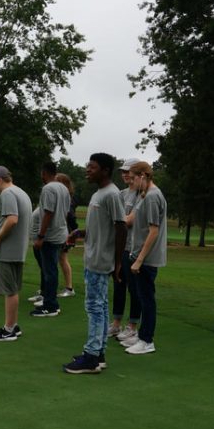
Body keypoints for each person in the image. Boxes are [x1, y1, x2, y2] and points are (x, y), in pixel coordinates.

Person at [62, 154, 128, 373]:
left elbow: (120, 227)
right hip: (94, 257)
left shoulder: (111, 194)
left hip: (101, 260)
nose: (87, 170)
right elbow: (104, 228)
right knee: (100, 306)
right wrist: (80, 232)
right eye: (87, 166)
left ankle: (91, 357)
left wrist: (118, 263)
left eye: (93, 167)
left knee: (94, 307)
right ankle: (98, 354)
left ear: (106, 170)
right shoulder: (99, 194)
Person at [120, 161, 167, 355]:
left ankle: (147, 340)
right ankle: (141, 336)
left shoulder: (153, 196)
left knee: (147, 299)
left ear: (143, 176)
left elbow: (153, 231)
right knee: (141, 295)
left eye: (134, 177)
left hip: (146, 258)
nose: (132, 181)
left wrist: (139, 259)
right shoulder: (145, 195)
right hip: (138, 254)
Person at [0, 166, 31, 342]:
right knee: (14, 289)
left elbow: (12, 219)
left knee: (9, 290)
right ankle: (13, 326)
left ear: (0, 179)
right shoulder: (21, 192)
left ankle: (8, 329)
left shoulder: (7, 194)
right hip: (18, 249)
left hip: (7, 250)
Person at [32, 162, 70, 317]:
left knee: (49, 272)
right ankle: (50, 302)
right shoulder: (64, 188)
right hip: (60, 233)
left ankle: (50, 305)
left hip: (50, 236)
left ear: (44, 173)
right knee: (51, 270)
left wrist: (41, 236)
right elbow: (65, 212)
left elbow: (48, 213)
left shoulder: (48, 189)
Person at [113, 158, 142, 342]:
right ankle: (116, 324)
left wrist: (117, 220)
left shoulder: (142, 194)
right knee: (118, 285)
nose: (124, 174)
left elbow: (129, 220)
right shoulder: (121, 194)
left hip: (133, 248)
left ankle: (132, 326)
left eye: (128, 171)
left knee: (134, 289)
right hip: (119, 247)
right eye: (122, 171)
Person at [55, 173, 79, 298]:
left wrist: (72, 232)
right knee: (60, 259)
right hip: (65, 231)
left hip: (66, 232)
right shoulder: (65, 196)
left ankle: (69, 288)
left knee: (63, 259)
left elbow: (70, 216)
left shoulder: (68, 198)